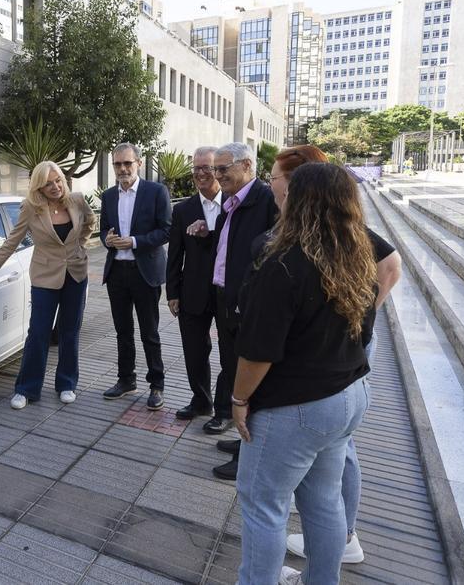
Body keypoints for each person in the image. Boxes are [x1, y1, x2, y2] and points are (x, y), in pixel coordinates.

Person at [243, 145, 404, 565]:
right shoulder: (357, 257)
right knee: (325, 503)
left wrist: (239, 400)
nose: (277, 190)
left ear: (300, 199)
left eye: (284, 185)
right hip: (347, 395)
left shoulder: (281, 263)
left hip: (295, 405)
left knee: (264, 506)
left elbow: (258, 352)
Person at [0, 161, 95, 409]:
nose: (55, 186)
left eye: (57, 180)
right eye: (48, 184)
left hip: (76, 274)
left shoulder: (76, 200)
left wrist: (80, 246)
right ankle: (26, 388)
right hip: (45, 276)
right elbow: (14, 238)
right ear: (39, 187)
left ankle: (66, 384)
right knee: (38, 332)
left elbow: (89, 223)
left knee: (70, 331)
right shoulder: (31, 208)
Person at [203, 142, 278, 459]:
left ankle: (250, 452)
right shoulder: (231, 202)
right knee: (232, 370)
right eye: (214, 170)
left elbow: (264, 256)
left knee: (251, 382)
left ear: (247, 165)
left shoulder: (265, 202)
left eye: (223, 169)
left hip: (247, 305)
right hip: (225, 299)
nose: (217, 176)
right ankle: (243, 438)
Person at [98, 143, 172, 409]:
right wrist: (107, 239)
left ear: (139, 164)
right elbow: (103, 229)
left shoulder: (156, 191)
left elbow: (166, 231)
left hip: (145, 273)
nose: (122, 169)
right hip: (117, 272)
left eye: (127, 163)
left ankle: (157, 385)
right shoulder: (108, 196)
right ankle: (126, 379)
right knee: (122, 331)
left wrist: (135, 242)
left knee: (149, 331)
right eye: (118, 164)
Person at [166, 146, 224, 420]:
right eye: (196, 168)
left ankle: (224, 410)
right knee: (194, 351)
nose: (200, 173)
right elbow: (175, 255)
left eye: (207, 168)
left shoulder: (234, 205)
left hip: (227, 292)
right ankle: (201, 401)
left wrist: (209, 232)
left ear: (218, 170)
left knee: (230, 355)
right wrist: (172, 293)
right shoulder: (183, 210)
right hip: (192, 291)